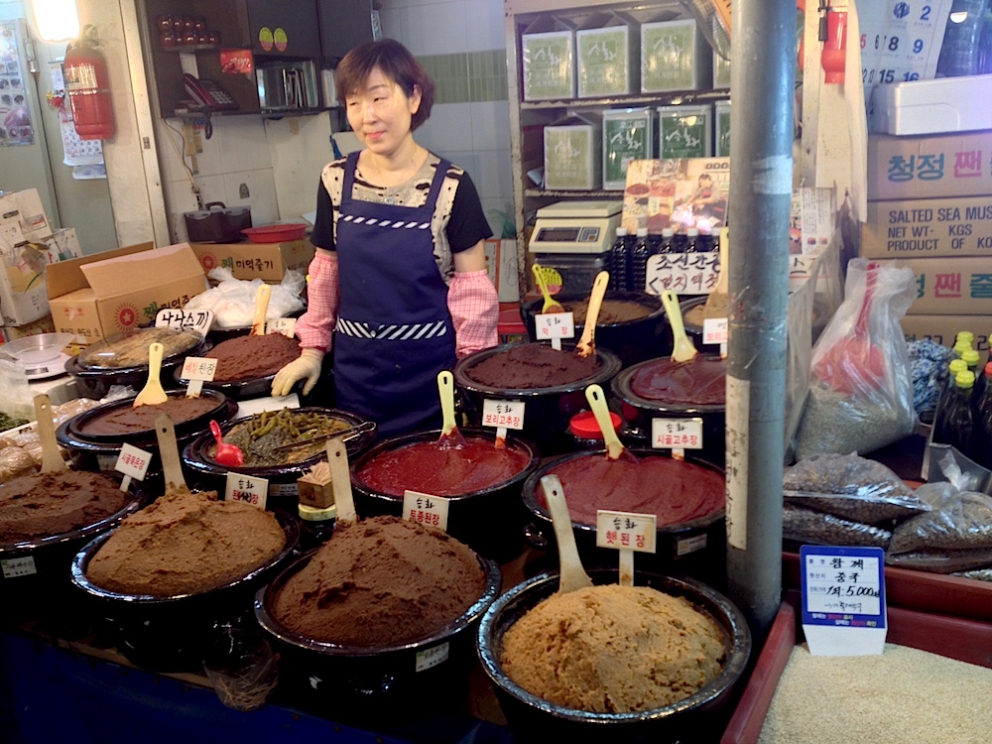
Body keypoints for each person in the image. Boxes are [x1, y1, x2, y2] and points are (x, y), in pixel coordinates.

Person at [271, 39, 499, 438]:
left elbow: (473, 296)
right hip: (357, 383)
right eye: (354, 102)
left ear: (413, 97)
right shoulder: (335, 180)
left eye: (379, 98)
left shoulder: (452, 187)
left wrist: (473, 380)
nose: (367, 117)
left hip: (434, 386)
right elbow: (325, 273)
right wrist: (312, 351)